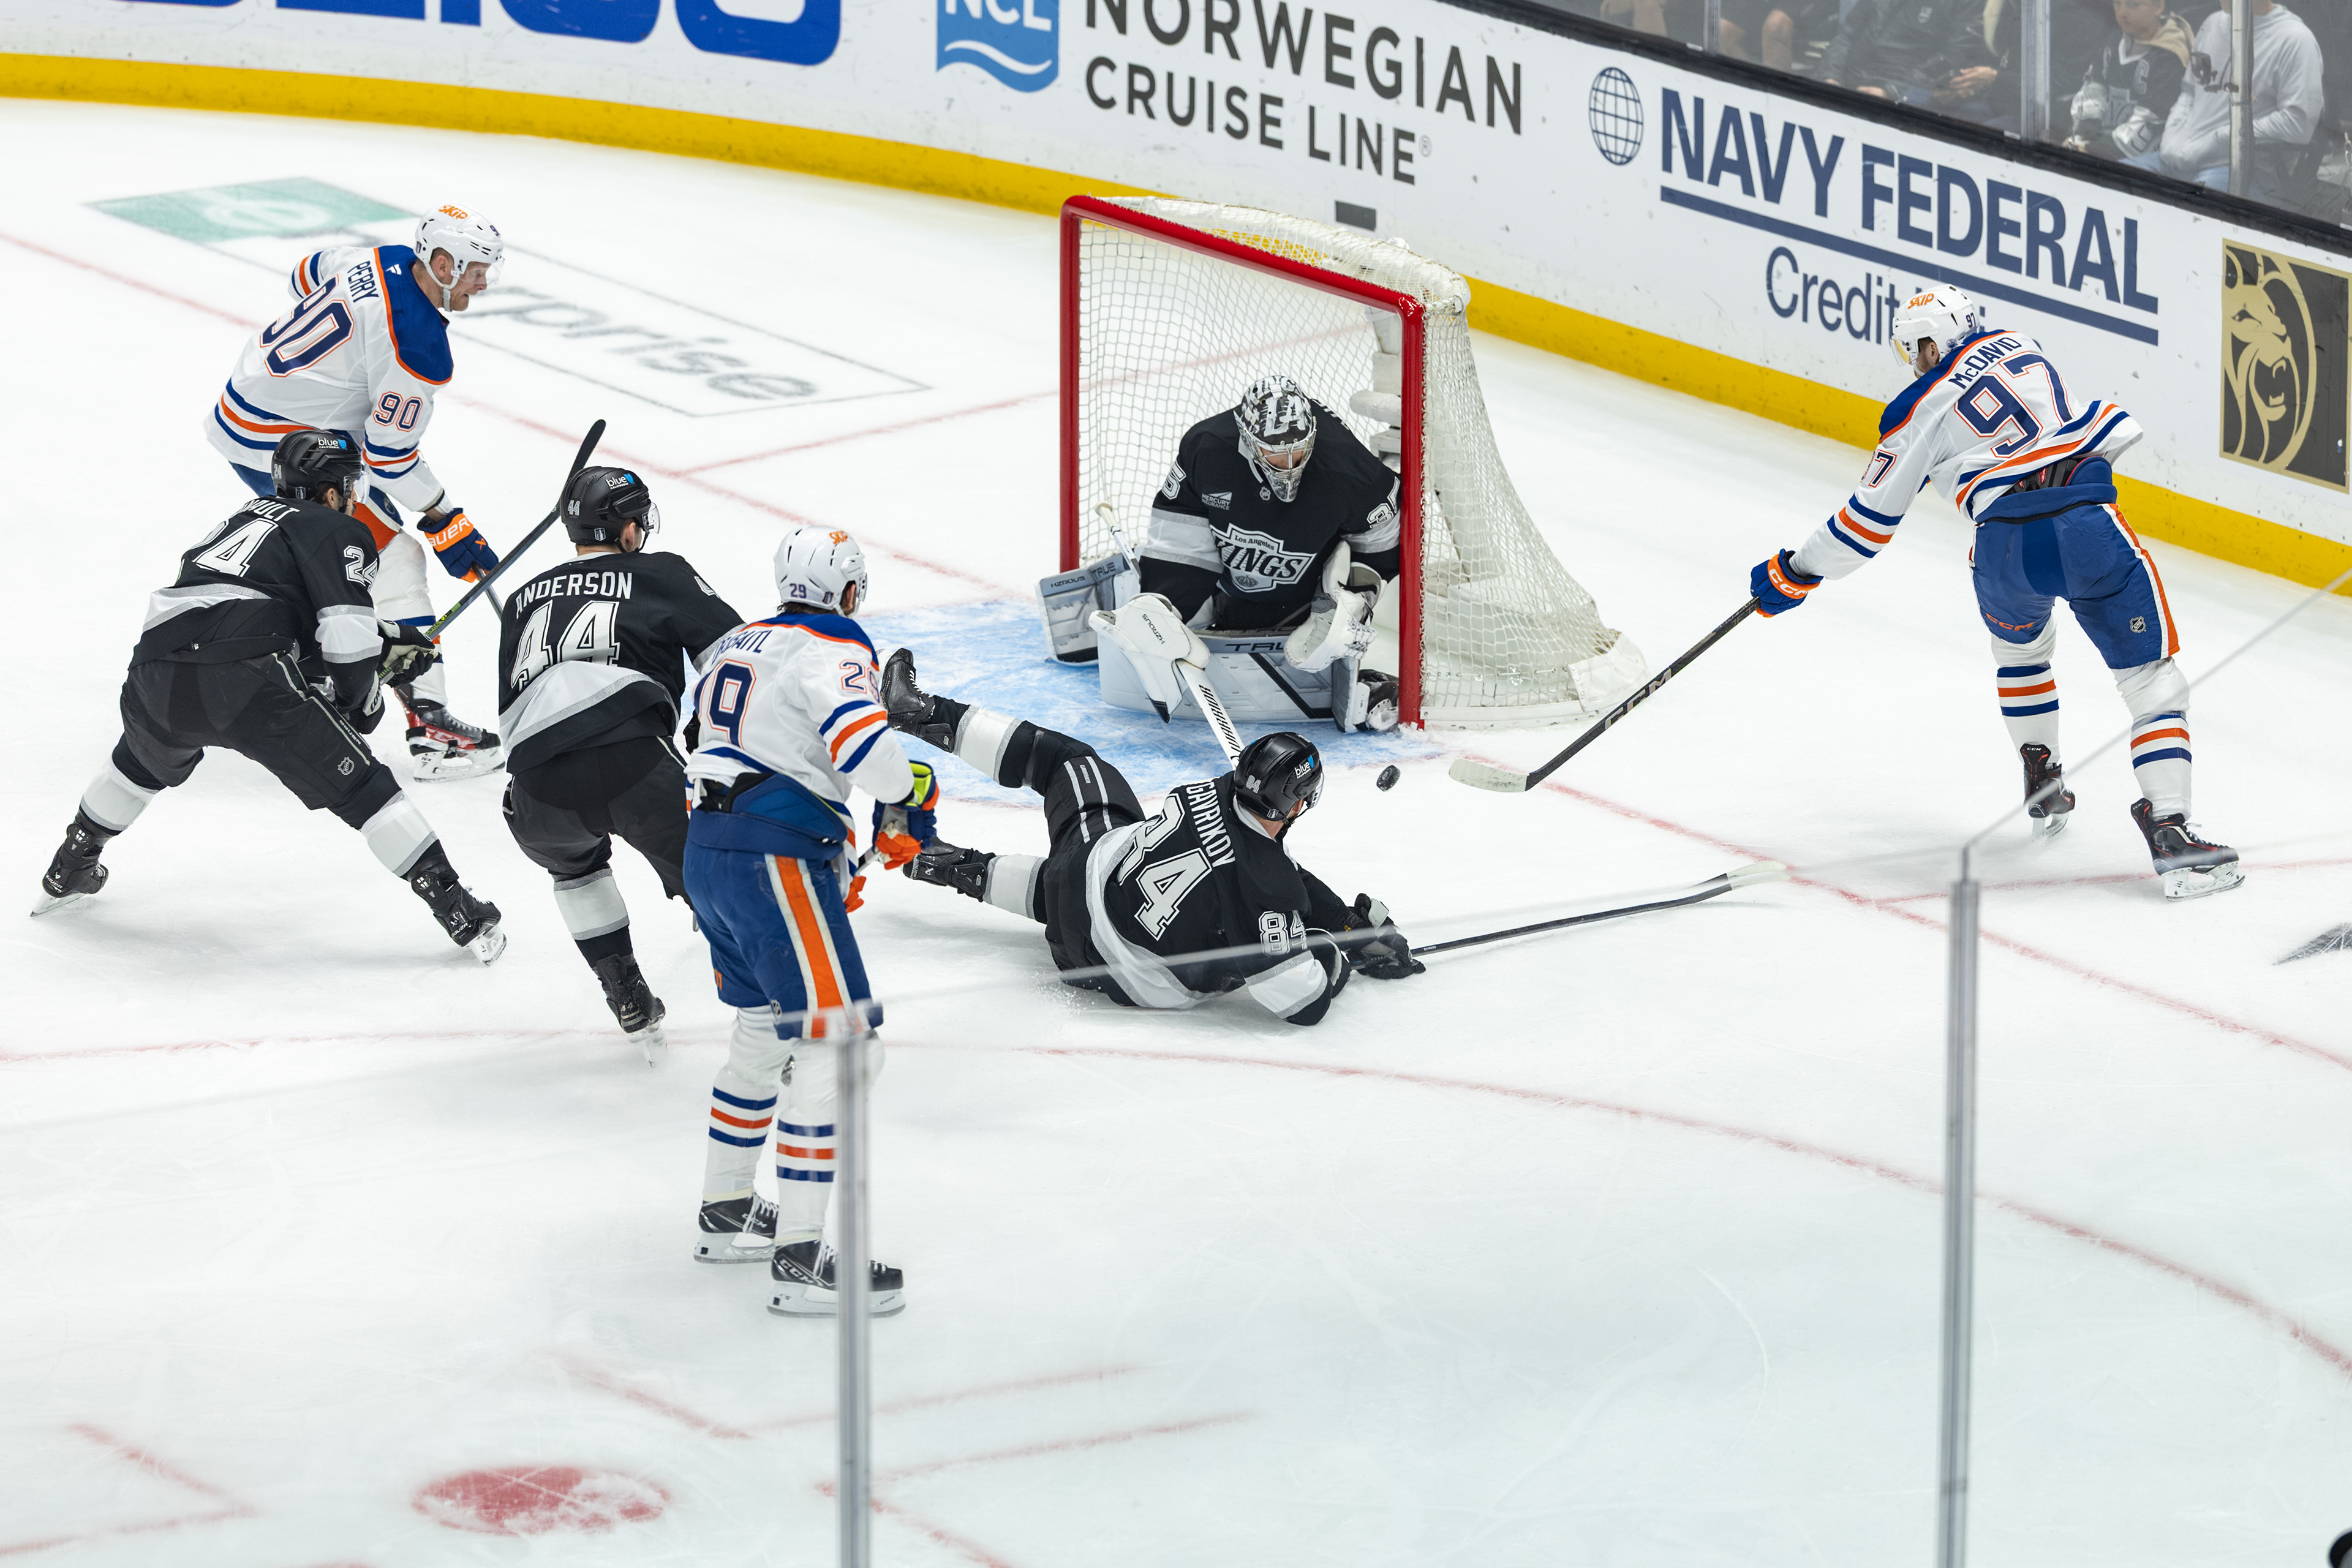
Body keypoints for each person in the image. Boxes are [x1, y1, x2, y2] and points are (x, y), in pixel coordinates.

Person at [1748, 287, 2242, 899]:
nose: (1916, 360)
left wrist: (1795, 568)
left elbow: (1865, 525)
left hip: (2002, 549)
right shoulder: (2022, 346)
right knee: (2151, 683)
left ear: (1929, 343)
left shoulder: (1914, 408)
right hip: (2083, 524)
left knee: (2021, 655)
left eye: (1916, 348)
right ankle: (2170, 828)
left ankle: (2042, 777)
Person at [34, 429, 507, 954]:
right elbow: (345, 639)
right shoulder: (336, 527)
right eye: (348, 485)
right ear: (331, 491)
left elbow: (245, 613)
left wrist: (385, 641)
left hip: (155, 667)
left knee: (137, 765)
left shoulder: (242, 519)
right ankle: (458, 909)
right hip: (247, 677)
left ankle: (71, 863)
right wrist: (364, 692)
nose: (352, 496)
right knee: (366, 790)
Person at [679, 525, 940, 1316]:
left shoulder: (735, 642)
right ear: (852, 593)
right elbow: (866, 752)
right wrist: (912, 785)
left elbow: (702, 736)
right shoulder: (837, 647)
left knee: (762, 1033)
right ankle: (800, 1258)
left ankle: (726, 1211)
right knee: (840, 1043)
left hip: (706, 851)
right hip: (777, 861)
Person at [880, 646, 1424, 1020]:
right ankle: (937, 863)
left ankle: (923, 715)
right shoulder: (1265, 889)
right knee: (1092, 899)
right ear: (1300, 804)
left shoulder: (1219, 789)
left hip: (1088, 875)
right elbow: (1302, 1002)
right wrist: (1342, 949)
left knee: (1064, 763)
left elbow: (1264, 872)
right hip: (1098, 967)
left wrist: (1345, 919)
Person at [203, 205, 510, 780]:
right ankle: (432, 728)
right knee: (391, 556)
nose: (483, 283)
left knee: (328, 557)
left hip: (244, 409)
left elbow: (305, 272)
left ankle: (317, 672)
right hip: (275, 444)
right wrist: (445, 516)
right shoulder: (416, 345)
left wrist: (330, 374)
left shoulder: (382, 259)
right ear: (442, 264)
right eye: (475, 270)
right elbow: (390, 455)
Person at [494, 467, 745, 1056]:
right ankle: (773, 1022)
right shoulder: (661, 572)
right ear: (629, 530)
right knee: (722, 885)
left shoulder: (521, 601)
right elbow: (739, 658)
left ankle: (625, 992)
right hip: (635, 764)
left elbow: (511, 712)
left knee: (575, 869)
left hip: (535, 788)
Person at [1139, 373, 1407, 731]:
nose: (1290, 463)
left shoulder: (1351, 470)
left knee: (1319, 647)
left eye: (1298, 450)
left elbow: (1380, 546)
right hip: (1227, 586)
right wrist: (1165, 607)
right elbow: (1179, 538)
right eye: (1275, 454)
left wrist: (1353, 605)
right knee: (1163, 616)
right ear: (1247, 440)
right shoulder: (1208, 447)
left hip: (1299, 602)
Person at [2132, 0, 2325, 197]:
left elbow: (2298, 125)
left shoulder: (2295, 40)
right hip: (2178, 158)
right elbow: (2190, 90)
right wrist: (2172, 140)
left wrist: (2222, 139)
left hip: (2243, 171)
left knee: (2188, 209)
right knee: (2117, 182)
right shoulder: (2212, 23)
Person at [2065, 0, 2195, 159]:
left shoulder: (2172, 58)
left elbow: (2150, 123)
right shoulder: (2113, 42)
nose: (2123, 13)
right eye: (2118, 3)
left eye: (2134, 5)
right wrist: (2080, 139)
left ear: (2159, 7)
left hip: (2145, 159)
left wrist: (2092, 149)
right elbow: (2092, 92)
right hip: (2100, 146)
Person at [1818, 0, 2000, 111]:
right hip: (1842, 86)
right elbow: (1846, 35)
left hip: (1904, 102)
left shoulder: (1972, 3)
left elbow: (1954, 58)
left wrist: (1891, 92)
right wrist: (1830, 77)